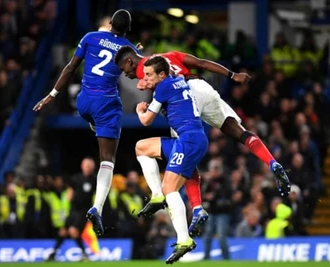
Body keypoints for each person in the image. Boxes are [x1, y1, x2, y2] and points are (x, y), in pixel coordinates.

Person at [114, 46, 291, 234]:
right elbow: (201, 63)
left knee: (184, 153)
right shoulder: (169, 55)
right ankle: (272, 162)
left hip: (183, 99)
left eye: (125, 71)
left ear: (130, 61)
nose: (128, 76)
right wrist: (232, 75)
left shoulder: (145, 69)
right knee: (239, 131)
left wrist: (143, 92)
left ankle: (197, 208)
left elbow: (151, 84)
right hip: (203, 87)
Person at [33, 9, 139, 237]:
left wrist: (51, 95)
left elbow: (70, 68)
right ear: (128, 29)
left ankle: (94, 124)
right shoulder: (128, 49)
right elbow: (138, 72)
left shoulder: (90, 37)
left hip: (84, 102)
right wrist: (136, 55)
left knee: (94, 121)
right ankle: (97, 207)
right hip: (106, 102)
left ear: (110, 23)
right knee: (107, 160)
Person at [136, 56, 208, 263]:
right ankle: (157, 195)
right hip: (188, 138)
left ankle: (184, 240)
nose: (146, 78)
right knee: (141, 147)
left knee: (171, 189)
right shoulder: (175, 79)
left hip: (189, 141)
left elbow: (147, 121)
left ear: (161, 75)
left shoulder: (164, 87)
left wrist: (140, 111)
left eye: (149, 75)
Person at [46, 157, 97, 261]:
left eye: (89, 166)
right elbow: (70, 190)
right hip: (73, 209)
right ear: (82, 166)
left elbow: (97, 195)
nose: (87, 168)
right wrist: (69, 199)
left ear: (93, 167)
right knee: (63, 231)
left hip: (84, 211)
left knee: (73, 230)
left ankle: (84, 254)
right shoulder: (76, 178)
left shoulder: (94, 180)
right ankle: (53, 254)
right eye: (85, 165)